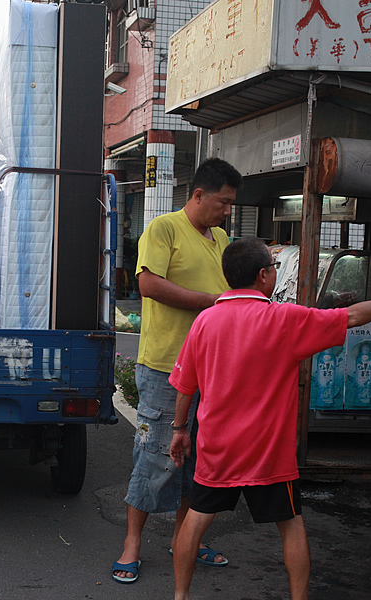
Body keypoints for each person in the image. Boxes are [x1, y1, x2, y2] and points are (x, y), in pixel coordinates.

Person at [168, 237, 371, 600]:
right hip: (269, 452)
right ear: (263, 275)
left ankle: (181, 596)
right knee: (291, 526)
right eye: (274, 268)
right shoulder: (285, 319)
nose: (275, 274)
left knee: (196, 519)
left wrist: (180, 430)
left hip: (217, 447)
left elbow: (186, 386)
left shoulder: (205, 321)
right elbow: (351, 316)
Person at [112, 158, 243, 584]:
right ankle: (132, 543)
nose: (227, 212)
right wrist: (210, 302)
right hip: (166, 368)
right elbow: (147, 284)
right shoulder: (164, 228)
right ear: (199, 194)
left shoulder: (222, 238)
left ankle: (185, 539)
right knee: (155, 457)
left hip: (213, 372)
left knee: (200, 461)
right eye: (223, 202)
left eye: (231, 205)